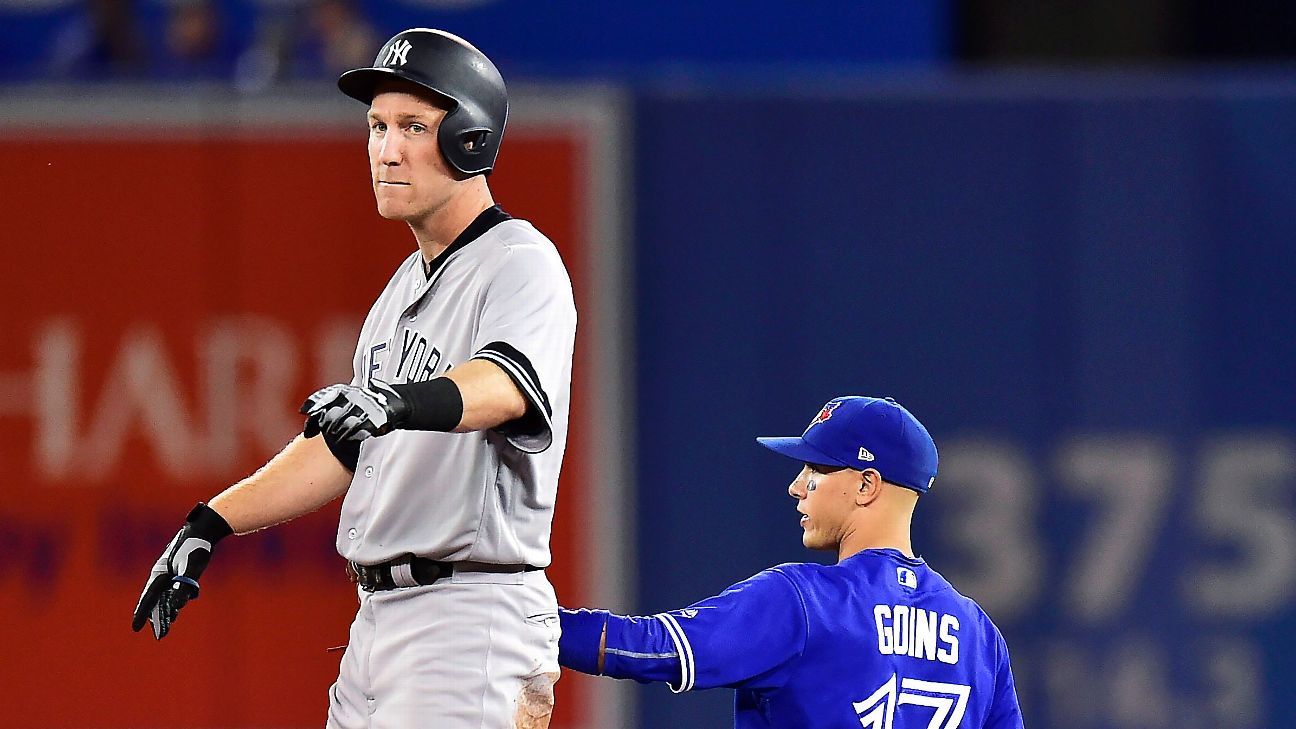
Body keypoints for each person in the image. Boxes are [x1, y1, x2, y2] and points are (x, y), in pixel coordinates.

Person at [132, 28, 576, 729]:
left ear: (471, 139)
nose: (385, 148)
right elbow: (342, 445)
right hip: (380, 622)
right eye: (375, 126)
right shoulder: (400, 291)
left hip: (469, 619)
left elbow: (503, 386)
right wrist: (210, 521)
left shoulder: (521, 260)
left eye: (412, 127)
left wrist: (391, 401)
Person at [559, 396, 1024, 729]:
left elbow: (649, 648)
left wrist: (523, 623)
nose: (797, 486)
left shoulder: (804, 603)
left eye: (816, 470)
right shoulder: (979, 634)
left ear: (866, 485)